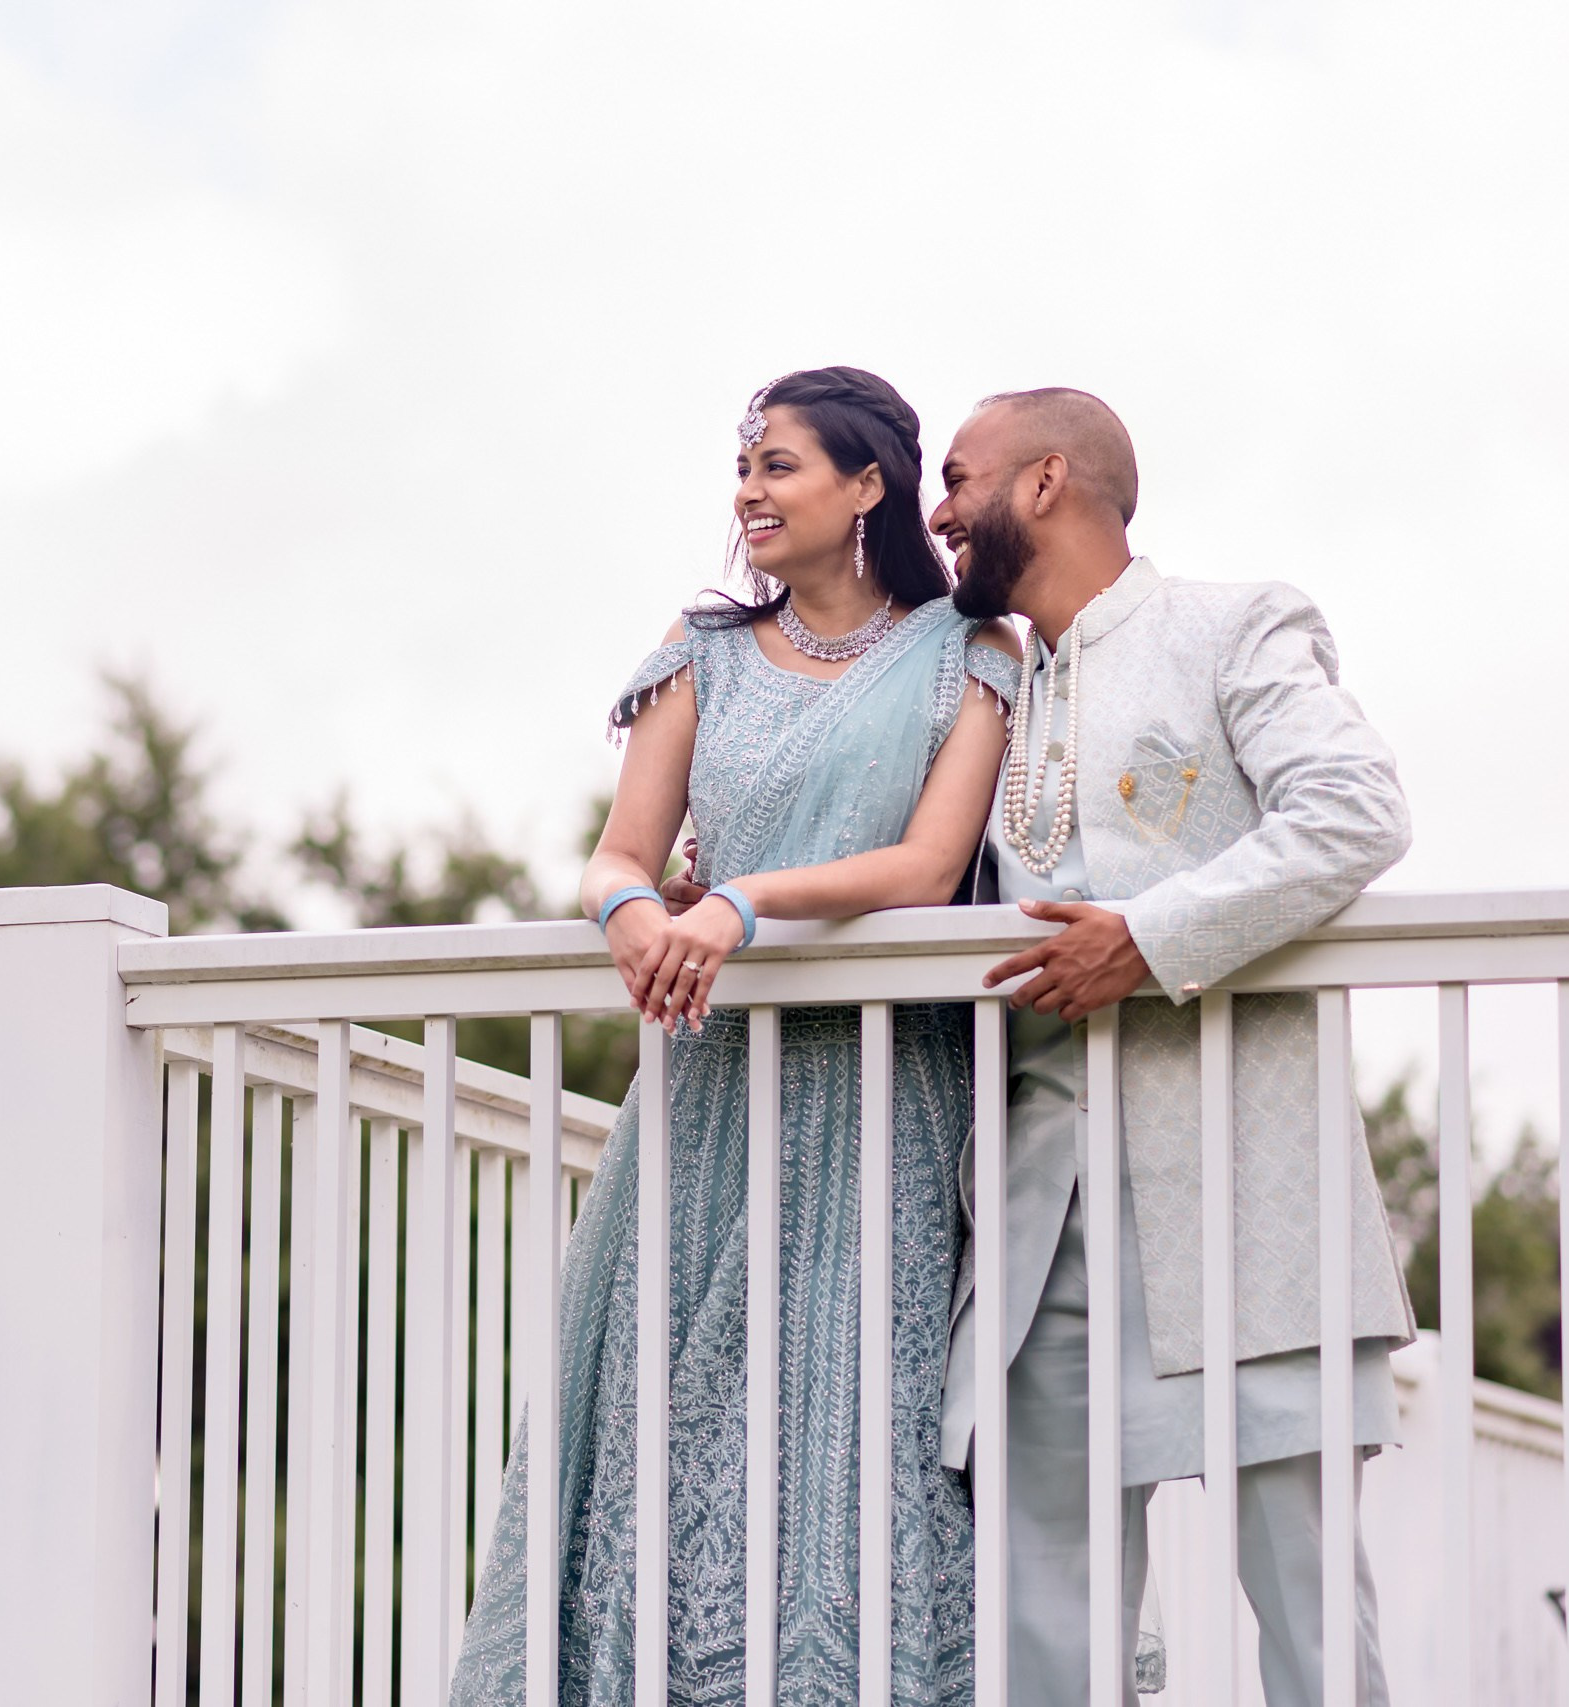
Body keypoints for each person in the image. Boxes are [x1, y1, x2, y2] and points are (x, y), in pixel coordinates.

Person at [446, 367, 1022, 1707]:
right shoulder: (702, 649)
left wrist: (744, 905)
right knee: (676, 1415)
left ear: (867, 485)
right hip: (708, 1093)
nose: (750, 493)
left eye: (782, 467)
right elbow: (615, 855)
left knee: (850, 1426)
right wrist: (640, 911)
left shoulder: (971, 656)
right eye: (746, 468)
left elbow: (931, 869)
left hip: (883, 1096)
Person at [934, 388, 1415, 1706]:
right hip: (1043, 1226)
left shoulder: (1231, 624)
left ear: (1044, 483)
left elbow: (1356, 812)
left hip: (1247, 1195)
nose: (937, 508)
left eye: (957, 474)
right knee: (1045, 1634)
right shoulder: (979, 689)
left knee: (1312, 1621)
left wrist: (1145, 940)